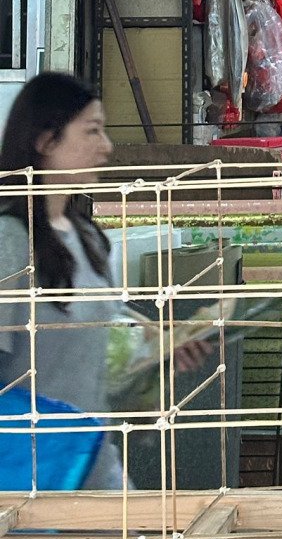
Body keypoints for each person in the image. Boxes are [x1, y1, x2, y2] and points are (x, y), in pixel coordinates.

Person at [0, 73, 206, 489]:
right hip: (27, 475)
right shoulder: (9, 242)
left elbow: (104, 338)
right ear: (45, 141)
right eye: (92, 131)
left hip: (91, 463)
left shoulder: (89, 239)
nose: (106, 146)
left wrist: (158, 347)